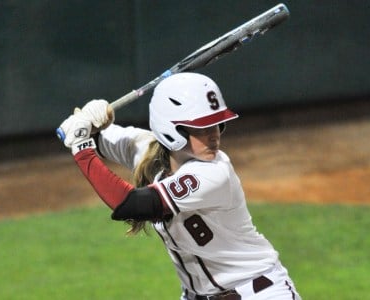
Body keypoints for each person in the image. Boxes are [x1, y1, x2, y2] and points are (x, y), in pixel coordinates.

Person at [58, 72, 301, 300]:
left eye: (217, 124)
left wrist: (81, 148)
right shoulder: (146, 150)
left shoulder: (214, 172)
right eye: (202, 127)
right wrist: (90, 122)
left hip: (259, 292)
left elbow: (131, 204)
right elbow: (78, 134)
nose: (214, 135)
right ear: (171, 129)